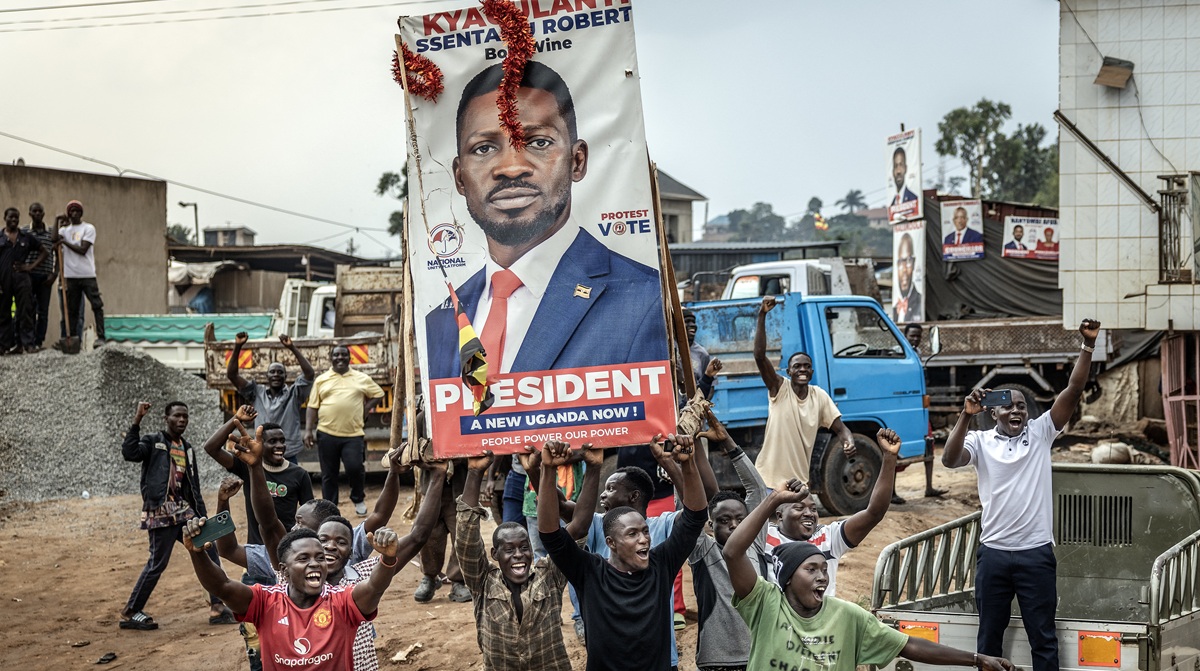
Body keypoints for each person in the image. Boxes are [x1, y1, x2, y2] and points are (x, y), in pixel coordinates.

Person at [423, 60, 667, 381]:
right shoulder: (437, 321)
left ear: (577, 161)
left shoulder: (641, 298)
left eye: (538, 143)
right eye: (483, 148)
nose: (511, 168)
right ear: (459, 177)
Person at [941, 318, 1101, 671]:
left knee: (1043, 638)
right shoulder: (980, 441)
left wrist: (1087, 346)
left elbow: (1073, 389)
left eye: (1021, 406)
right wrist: (965, 416)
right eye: (1008, 406)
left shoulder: (1041, 432)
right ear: (993, 412)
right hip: (993, 555)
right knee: (989, 640)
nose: (1016, 410)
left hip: (1035, 554)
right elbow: (949, 460)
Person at [724, 481, 1014, 671]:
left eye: (824, 569)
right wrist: (774, 498)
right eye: (811, 570)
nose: (822, 576)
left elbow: (909, 645)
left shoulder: (847, 615)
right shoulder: (765, 604)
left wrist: (976, 658)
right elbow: (733, 552)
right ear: (787, 578)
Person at [539, 435, 708, 671]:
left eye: (645, 531)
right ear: (611, 542)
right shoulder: (589, 572)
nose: (644, 539)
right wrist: (547, 469)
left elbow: (695, 517)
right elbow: (551, 536)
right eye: (632, 534)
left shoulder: (661, 565)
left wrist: (686, 464)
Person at [182, 517, 410, 671]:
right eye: (303, 558)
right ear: (284, 570)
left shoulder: (342, 602)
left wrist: (388, 558)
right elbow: (221, 587)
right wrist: (196, 553)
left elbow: (374, 587)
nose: (315, 564)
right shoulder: (265, 602)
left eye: (320, 558)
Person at [455, 449, 599, 670]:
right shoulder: (483, 582)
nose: (518, 554)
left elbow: (578, 528)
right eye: (509, 550)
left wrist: (594, 468)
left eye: (524, 547)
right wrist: (474, 472)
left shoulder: (549, 576)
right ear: (495, 555)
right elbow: (466, 537)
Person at [119, 400, 235, 630]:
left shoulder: (187, 448)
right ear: (166, 419)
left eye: (185, 416)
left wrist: (203, 516)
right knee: (157, 563)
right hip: (161, 513)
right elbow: (130, 453)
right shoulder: (153, 441)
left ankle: (217, 606)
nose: (182, 420)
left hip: (185, 512)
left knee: (209, 550)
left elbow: (194, 487)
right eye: (177, 416)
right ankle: (131, 611)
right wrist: (137, 419)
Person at [765, 428, 902, 597]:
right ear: (779, 516)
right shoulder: (764, 537)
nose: (809, 513)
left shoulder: (829, 538)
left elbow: (874, 513)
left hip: (823, 615)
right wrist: (775, 497)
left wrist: (889, 458)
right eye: (799, 508)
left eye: (813, 509)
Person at [688, 412, 770, 671]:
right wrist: (684, 460)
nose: (734, 525)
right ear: (710, 525)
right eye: (724, 520)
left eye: (740, 519)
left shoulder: (755, 543)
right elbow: (687, 509)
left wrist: (728, 443)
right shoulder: (703, 551)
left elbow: (757, 489)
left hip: (760, 656)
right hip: (716, 661)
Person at [753, 295, 854, 486]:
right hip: (768, 481)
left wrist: (849, 442)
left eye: (807, 366)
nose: (802, 370)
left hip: (798, 483)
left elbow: (841, 429)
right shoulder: (779, 388)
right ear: (789, 372)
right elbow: (759, 356)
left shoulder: (819, 396)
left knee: (803, 507)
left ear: (812, 372)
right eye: (797, 366)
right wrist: (762, 315)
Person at [200, 406, 313, 546]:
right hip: (256, 548)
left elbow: (310, 515)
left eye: (282, 441)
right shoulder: (248, 467)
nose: (280, 445)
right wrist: (236, 418)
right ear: (259, 444)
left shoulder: (299, 474)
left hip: (287, 548)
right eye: (273, 441)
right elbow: (211, 448)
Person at [304, 344, 385, 515]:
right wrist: (308, 430)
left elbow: (379, 394)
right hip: (326, 433)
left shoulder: (361, 378)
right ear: (331, 358)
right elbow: (312, 406)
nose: (340, 358)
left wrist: (365, 409)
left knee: (355, 468)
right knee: (328, 474)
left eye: (343, 355)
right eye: (336, 355)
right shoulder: (322, 380)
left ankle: (358, 498)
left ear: (350, 358)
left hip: (353, 434)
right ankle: (329, 507)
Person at [229, 331, 317, 464]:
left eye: (280, 372)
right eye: (272, 372)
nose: (276, 374)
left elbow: (309, 374)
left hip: (288, 453)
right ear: (267, 376)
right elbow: (232, 375)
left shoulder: (294, 394)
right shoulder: (257, 392)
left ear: (285, 377)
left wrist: (291, 347)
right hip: (263, 453)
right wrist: (237, 346)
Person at [412, 460, 472, 604]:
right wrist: (428, 462)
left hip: (460, 490)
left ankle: (458, 580)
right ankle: (430, 577)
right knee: (429, 534)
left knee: (462, 535)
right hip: (431, 488)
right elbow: (413, 453)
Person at [54, 200, 106, 347]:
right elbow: (54, 239)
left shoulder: (88, 228)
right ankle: (73, 339)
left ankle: (101, 336)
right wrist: (56, 220)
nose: (74, 213)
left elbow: (83, 249)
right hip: (71, 276)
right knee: (72, 310)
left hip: (87, 274)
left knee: (96, 305)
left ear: (81, 213)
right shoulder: (64, 231)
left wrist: (65, 243)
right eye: (72, 211)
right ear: (68, 214)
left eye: (77, 211)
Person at [0, 206, 46, 354]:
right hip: (3, 280)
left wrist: (30, 266)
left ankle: (27, 344)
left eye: (16, 217)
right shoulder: (0, 237)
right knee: (3, 312)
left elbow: (44, 252)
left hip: (22, 280)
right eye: (11, 217)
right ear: (5, 218)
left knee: (25, 311)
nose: (14, 220)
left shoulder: (26, 237)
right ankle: (3, 345)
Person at [22, 202, 55, 350]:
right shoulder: (24, 231)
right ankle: (28, 341)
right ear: (29, 213)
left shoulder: (51, 233)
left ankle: (38, 341)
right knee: (28, 309)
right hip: (28, 276)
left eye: (39, 211)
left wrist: (54, 274)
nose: (37, 214)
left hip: (45, 277)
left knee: (43, 311)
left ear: (43, 214)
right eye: (34, 211)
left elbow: (59, 254)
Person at [892, 232, 922, 323]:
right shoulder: (895, 308)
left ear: (914, 263)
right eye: (901, 262)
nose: (904, 269)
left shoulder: (920, 303)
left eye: (908, 261)